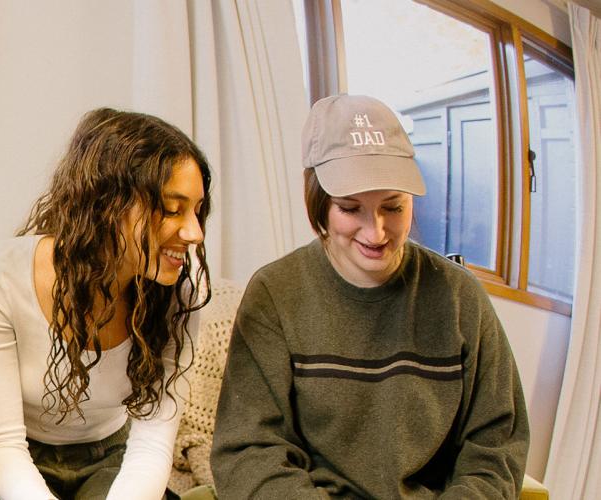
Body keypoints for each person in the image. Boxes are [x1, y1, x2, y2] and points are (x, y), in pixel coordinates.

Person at [210, 94, 529, 498]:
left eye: (393, 208)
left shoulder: (459, 297)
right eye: (350, 209)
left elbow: (496, 449)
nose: (376, 233)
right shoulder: (275, 293)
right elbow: (248, 452)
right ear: (318, 204)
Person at [0, 108, 211, 500]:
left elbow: (150, 449)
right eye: (173, 210)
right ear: (107, 204)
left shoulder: (182, 293)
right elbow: (3, 446)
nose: (194, 233)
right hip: (15, 460)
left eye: (197, 210)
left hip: (114, 461)